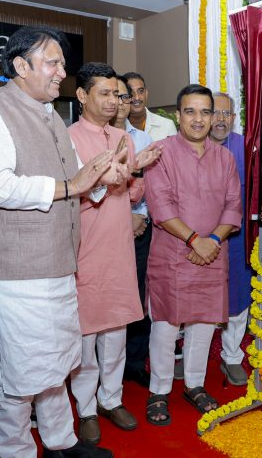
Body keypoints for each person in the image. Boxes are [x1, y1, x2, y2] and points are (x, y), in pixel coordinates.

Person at [0, 27, 123, 458]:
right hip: (17, 267)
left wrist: (103, 177)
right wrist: (75, 184)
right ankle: (15, 449)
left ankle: (61, 441)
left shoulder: (51, 113)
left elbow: (77, 181)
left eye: (62, 64)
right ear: (20, 65)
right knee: (22, 367)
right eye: (52, 63)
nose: (61, 73)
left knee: (58, 360)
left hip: (59, 261)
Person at [68, 62, 161, 443]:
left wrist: (134, 170)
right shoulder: (68, 138)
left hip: (120, 247)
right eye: (104, 93)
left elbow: (133, 195)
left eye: (116, 94)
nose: (113, 101)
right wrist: (114, 174)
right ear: (82, 95)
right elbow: (75, 194)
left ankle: (111, 398)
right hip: (85, 250)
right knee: (86, 335)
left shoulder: (122, 137)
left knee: (117, 330)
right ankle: (86, 407)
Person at [144, 84, 242, 426]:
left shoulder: (225, 158)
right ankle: (158, 390)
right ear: (177, 115)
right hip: (174, 255)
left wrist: (212, 240)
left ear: (213, 117)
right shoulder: (160, 152)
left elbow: (233, 206)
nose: (198, 119)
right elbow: (160, 206)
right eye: (190, 111)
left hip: (212, 253)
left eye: (205, 112)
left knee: (204, 324)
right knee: (166, 326)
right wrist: (195, 240)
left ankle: (194, 384)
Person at [110, 75, 155, 387]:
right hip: (106, 232)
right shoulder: (96, 136)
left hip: (140, 230)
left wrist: (141, 217)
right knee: (109, 298)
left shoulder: (142, 139)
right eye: (117, 96)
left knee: (138, 296)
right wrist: (126, 216)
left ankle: (135, 362)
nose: (123, 102)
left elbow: (153, 185)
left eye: (126, 97)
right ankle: (104, 367)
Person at [209, 92, 251, 386]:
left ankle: (232, 356)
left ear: (234, 118)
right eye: (215, 113)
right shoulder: (193, 146)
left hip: (236, 238)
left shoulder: (245, 148)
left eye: (227, 114)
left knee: (237, 296)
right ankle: (190, 356)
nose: (221, 119)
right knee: (194, 296)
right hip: (197, 237)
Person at [123, 71, 176, 141]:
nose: (137, 97)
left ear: (146, 93)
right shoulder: (116, 126)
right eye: (130, 93)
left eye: (140, 91)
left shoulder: (167, 126)